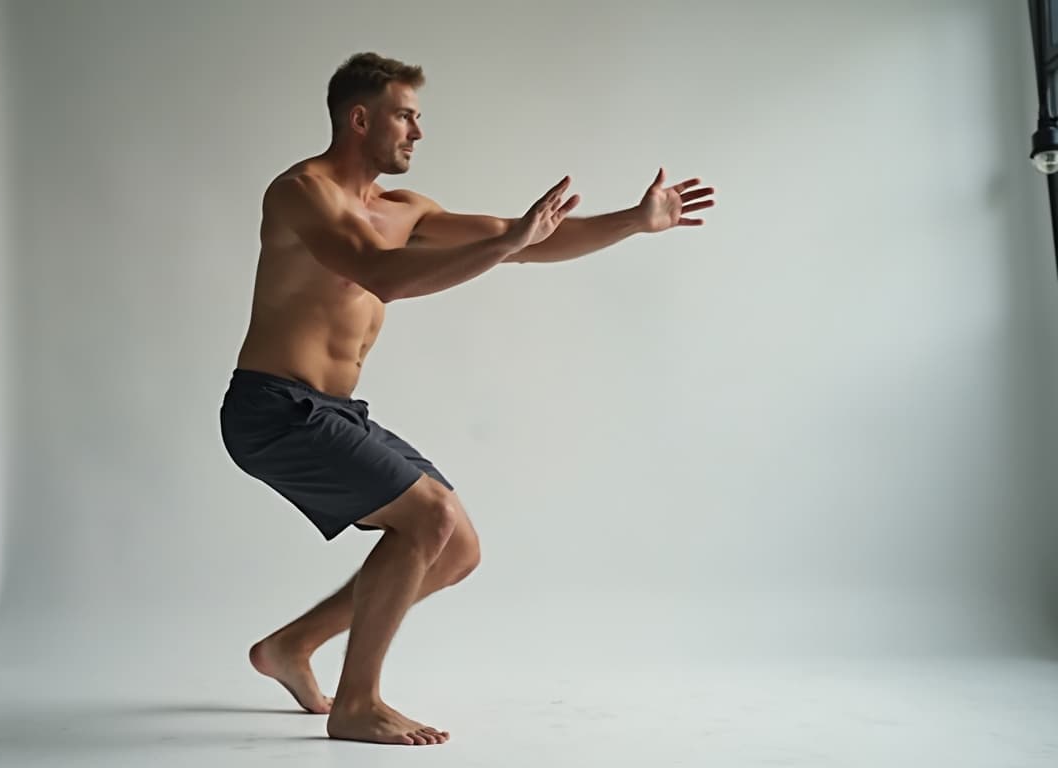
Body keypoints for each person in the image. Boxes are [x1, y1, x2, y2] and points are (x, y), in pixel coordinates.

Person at [219, 52, 715, 747]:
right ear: (360, 119)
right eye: (405, 116)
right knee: (431, 518)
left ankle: (290, 648)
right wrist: (508, 242)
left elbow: (528, 242)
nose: (418, 132)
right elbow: (380, 273)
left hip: (330, 412)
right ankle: (356, 704)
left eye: (419, 117)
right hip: (272, 408)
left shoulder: (407, 210)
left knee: (455, 548)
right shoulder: (303, 192)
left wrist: (631, 220)